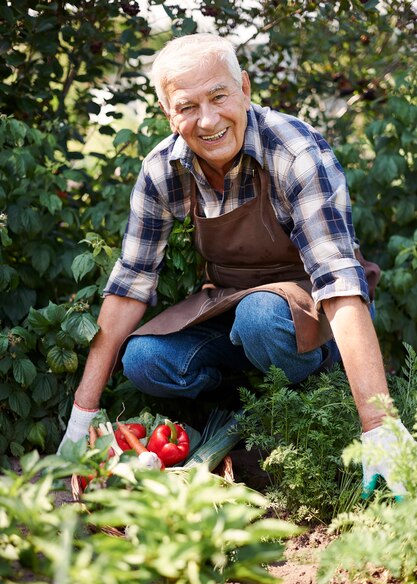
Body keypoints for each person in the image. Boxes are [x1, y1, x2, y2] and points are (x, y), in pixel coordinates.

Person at [58, 33, 412, 497]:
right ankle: (239, 408)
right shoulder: (163, 169)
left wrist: (378, 424)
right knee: (144, 359)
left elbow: (338, 281)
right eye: (187, 106)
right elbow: (130, 284)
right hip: (231, 305)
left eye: (219, 96)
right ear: (169, 112)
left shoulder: (294, 151)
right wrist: (80, 419)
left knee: (261, 319)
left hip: (309, 311)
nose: (207, 120)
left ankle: (321, 382)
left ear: (244, 88)